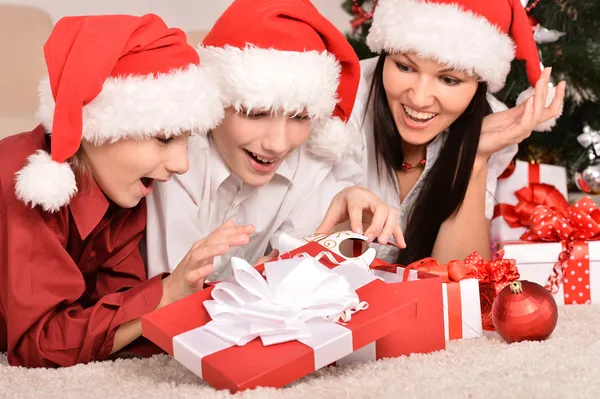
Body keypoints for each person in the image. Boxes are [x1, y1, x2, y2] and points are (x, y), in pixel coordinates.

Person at [0, 14, 224, 367]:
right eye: (164, 138)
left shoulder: (123, 193)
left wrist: (209, 297)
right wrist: (164, 293)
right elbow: (36, 344)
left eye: (187, 139)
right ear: (97, 127)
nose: (182, 164)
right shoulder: (23, 183)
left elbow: (118, 310)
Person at [144, 0, 405, 282]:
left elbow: (301, 276)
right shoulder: (178, 160)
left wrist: (340, 220)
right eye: (256, 113)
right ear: (215, 103)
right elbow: (171, 293)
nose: (278, 144)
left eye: (299, 117)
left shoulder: (310, 164)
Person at [352, 0, 566, 264]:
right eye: (405, 67)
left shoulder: (490, 121)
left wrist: (474, 157)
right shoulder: (344, 104)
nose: (419, 99)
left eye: (449, 79)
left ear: (479, 82)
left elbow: (465, 283)